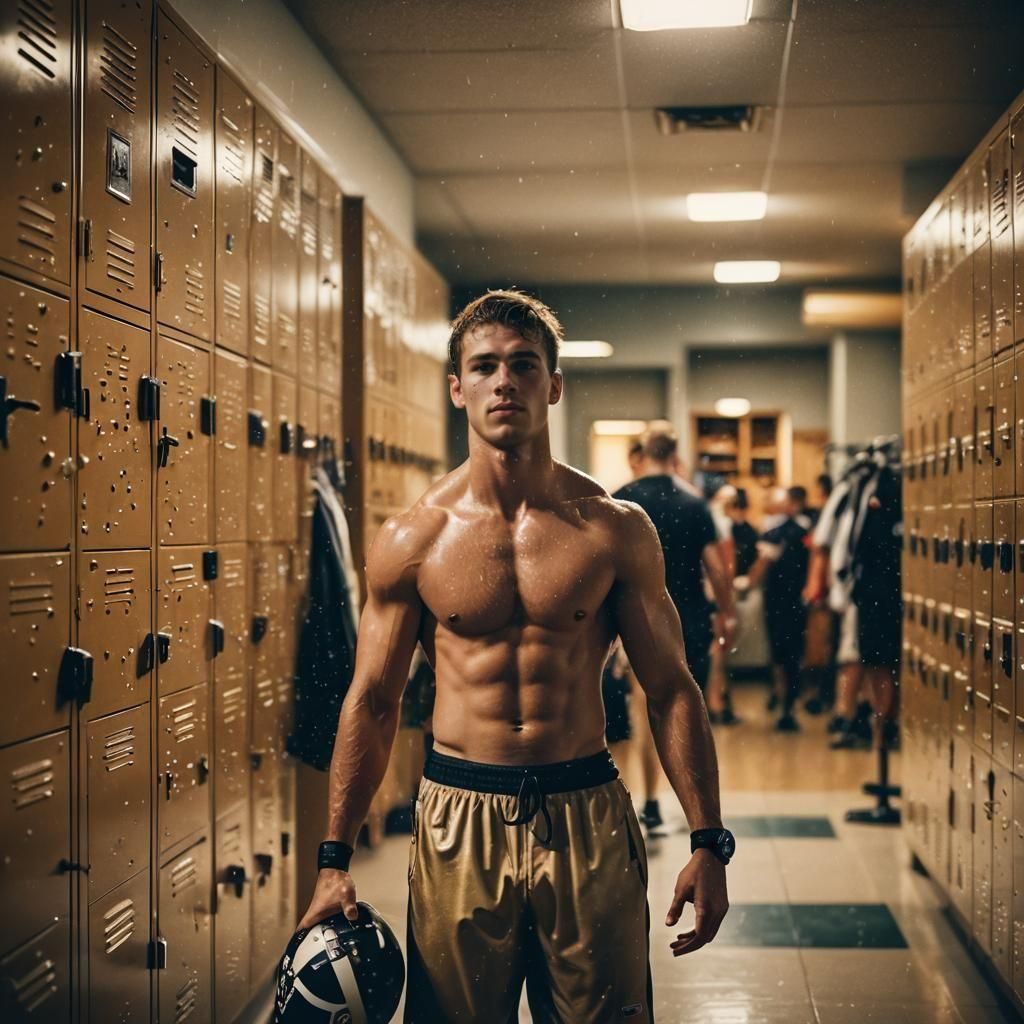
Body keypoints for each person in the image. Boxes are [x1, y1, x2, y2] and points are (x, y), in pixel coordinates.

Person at [298, 290, 733, 1023]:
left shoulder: (614, 530)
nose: (505, 381)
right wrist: (333, 862)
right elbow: (371, 701)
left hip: (585, 807)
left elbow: (672, 690)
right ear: (457, 387)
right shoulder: (415, 537)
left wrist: (708, 841)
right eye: (486, 366)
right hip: (457, 814)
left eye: (524, 365)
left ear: (553, 385)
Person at [745, 486, 812, 731]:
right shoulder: (805, 532)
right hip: (798, 602)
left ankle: (782, 698)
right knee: (795, 653)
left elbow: (760, 569)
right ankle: (790, 703)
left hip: (776, 602)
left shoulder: (773, 534)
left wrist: (746, 583)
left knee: (779, 653)